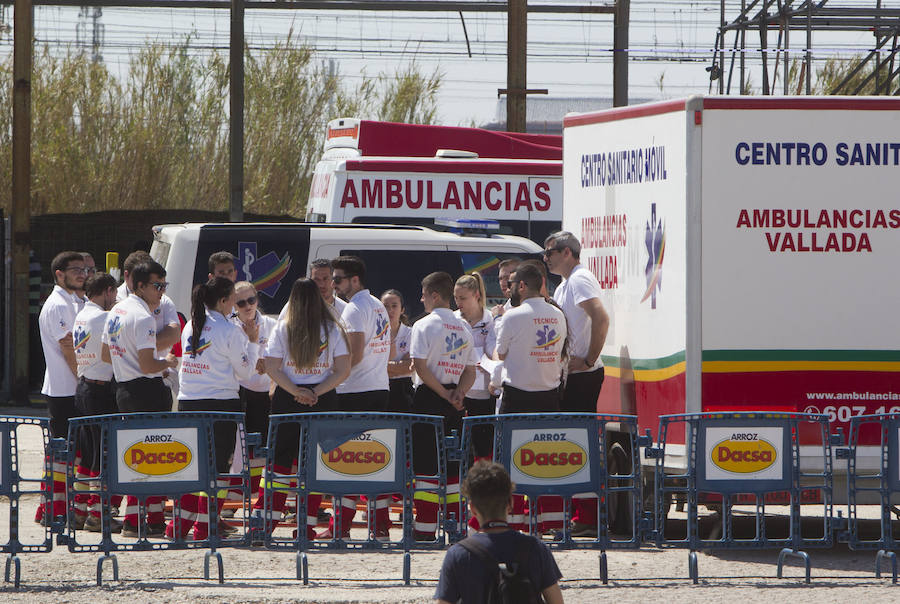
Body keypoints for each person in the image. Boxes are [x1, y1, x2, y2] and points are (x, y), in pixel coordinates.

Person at [251, 278, 351, 539]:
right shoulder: (332, 328)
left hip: (288, 398)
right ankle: (305, 527)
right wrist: (316, 392)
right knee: (314, 465)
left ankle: (264, 525)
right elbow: (343, 369)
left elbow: (272, 366)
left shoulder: (283, 328)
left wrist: (296, 391)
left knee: (278, 464)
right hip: (323, 398)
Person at [166, 277, 260, 541]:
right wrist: (252, 341)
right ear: (222, 300)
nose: (236, 304)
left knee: (190, 467)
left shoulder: (192, 325)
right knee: (218, 469)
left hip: (189, 402)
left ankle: (178, 527)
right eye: (233, 298)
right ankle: (205, 527)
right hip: (220, 404)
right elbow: (245, 372)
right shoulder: (229, 330)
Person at [102, 260, 179, 538]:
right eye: (157, 285)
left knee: (138, 454)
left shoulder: (115, 311)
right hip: (146, 389)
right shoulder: (144, 316)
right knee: (151, 456)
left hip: (124, 388)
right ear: (139, 285)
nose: (161, 291)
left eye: (164, 285)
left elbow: (103, 354)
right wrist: (167, 362)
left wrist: (129, 361)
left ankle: (152, 518)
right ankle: (138, 521)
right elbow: (148, 366)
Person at [543, 230, 610, 538]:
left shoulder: (580, 279)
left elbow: (601, 317)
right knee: (572, 446)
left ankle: (588, 517)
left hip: (583, 375)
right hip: (573, 375)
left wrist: (588, 358)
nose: (546, 258)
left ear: (567, 252)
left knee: (579, 447)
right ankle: (579, 514)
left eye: (550, 252)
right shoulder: (565, 285)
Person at [495, 262, 568, 534]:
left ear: (522, 286)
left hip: (517, 398)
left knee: (512, 463)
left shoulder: (512, 317)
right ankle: (550, 521)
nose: (510, 288)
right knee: (546, 461)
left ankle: (514, 523)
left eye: (513, 284)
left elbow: (499, 354)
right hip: (549, 397)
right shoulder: (558, 315)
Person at [323, 255, 392, 539]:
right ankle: (380, 528)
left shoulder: (354, 308)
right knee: (375, 461)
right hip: (379, 388)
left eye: (337, 279)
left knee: (346, 462)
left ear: (354, 280)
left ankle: (340, 528)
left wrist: (328, 379)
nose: (334, 285)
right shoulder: (378, 305)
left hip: (355, 391)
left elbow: (355, 354)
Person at [435, 461, 564, 604]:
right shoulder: (536, 548)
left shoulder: (457, 555)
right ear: (511, 504)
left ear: (472, 508)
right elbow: (556, 601)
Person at [410, 271, 476, 541]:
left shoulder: (423, 325)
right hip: (454, 402)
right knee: (453, 465)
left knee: (426, 465)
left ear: (435, 295)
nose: (422, 299)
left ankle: (425, 527)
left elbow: (421, 367)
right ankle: (456, 525)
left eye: (424, 294)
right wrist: (458, 392)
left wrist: (443, 394)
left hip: (429, 397)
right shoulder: (464, 327)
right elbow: (471, 370)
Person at [36, 251, 86, 525]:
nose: (82, 273)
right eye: (75, 269)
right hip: (65, 388)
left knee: (70, 452)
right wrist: (85, 380)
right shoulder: (58, 304)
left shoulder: (74, 300)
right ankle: (54, 511)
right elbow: (68, 347)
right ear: (59, 274)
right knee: (62, 453)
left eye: (84, 269)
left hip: (70, 387)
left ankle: (53, 509)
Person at [72, 272, 123, 533]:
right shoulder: (104, 316)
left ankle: (80, 510)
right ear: (107, 291)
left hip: (84, 386)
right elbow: (115, 349)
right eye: (113, 294)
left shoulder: (82, 314)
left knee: (89, 454)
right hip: (100, 390)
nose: (115, 299)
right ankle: (97, 513)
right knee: (103, 455)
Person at [230, 281, 277, 499]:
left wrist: (267, 363)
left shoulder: (271, 323)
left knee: (260, 447)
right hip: (240, 391)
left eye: (252, 300)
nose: (248, 306)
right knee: (238, 447)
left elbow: (281, 355)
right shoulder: (230, 326)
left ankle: (254, 491)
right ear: (233, 304)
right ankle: (235, 493)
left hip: (265, 391)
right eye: (241, 303)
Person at [453, 273, 497, 462]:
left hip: (484, 392)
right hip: (460, 390)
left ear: (477, 295)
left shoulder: (491, 319)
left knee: (484, 444)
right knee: (461, 445)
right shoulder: (453, 319)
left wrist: (491, 363)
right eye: (455, 298)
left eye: (463, 298)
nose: (458, 302)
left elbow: (495, 350)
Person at [382, 289, 414, 413]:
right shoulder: (374, 333)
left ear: (402, 310)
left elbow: (409, 367)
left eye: (394, 306)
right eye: (385, 306)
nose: (390, 310)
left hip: (403, 389)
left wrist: (382, 366)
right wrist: (397, 367)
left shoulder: (410, 333)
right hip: (381, 387)